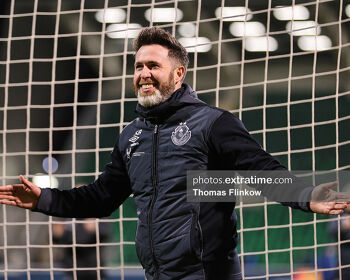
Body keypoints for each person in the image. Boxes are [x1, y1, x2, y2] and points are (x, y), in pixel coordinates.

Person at [0, 27, 349, 280]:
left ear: (179, 73)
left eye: (153, 65)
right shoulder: (131, 137)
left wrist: (307, 196)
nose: (143, 74)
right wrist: (44, 199)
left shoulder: (213, 123)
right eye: (138, 66)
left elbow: (262, 172)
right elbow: (100, 197)